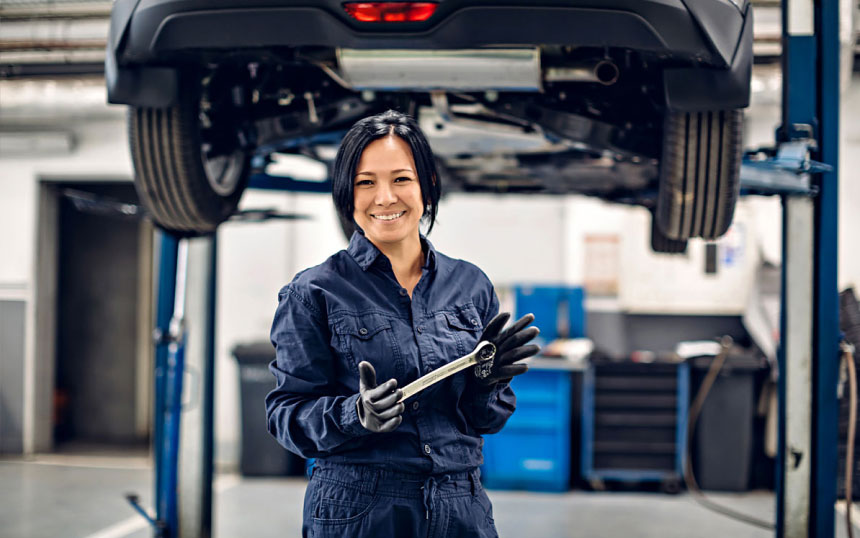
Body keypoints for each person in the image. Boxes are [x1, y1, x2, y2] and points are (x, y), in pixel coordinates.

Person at [266, 110, 540, 537]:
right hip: (360, 509)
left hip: (460, 506)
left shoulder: (470, 285)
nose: (385, 197)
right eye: (366, 182)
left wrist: (486, 383)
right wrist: (354, 414)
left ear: (427, 186)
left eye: (401, 179)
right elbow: (286, 414)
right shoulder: (314, 292)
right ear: (347, 193)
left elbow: (485, 420)